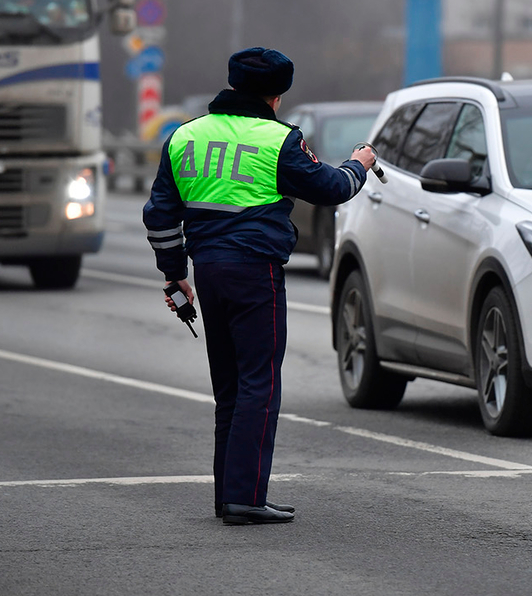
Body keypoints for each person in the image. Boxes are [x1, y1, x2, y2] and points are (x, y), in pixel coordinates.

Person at [143, 47, 376, 525]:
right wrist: (360, 164)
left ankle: (228, 496)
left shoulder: (184, 137)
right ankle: (246, 497)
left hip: (207, 270)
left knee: (229, 390)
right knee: (260, 386)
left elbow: (160, 215)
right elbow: (330, 189)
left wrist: (173, 274)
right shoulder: (279, 140)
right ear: (277, 95)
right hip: (256, 271)